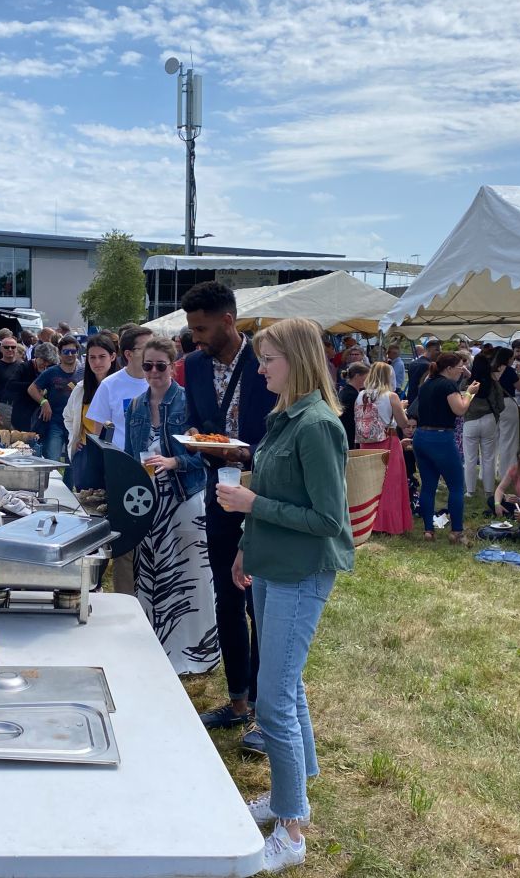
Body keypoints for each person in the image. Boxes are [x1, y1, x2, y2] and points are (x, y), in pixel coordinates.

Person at [215, 317, 353, 875]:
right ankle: (292, 794)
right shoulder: (283, 417)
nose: (259, 367)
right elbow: (270, 489)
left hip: (301, 571)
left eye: (267, 358)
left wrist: (252, 508)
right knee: (285, 686)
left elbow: (327, 519)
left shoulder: (317, 425)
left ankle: (292, 829)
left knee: (273, 698)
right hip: (273, 564)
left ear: (295, 359)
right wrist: (248, 543)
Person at [180, 281, 276, 738]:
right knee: (226, 596)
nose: (194, 337)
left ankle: (264, 704)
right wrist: (202, 441)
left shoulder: (269, 360)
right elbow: (198, 421)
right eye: (190, 329)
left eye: (201, 328)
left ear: (228, 321)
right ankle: (237, 698)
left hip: (265, 494)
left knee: (264, 604)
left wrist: (245, 454)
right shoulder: (194, 366)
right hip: (219, 494)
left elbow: (283, 434)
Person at [123, 336, 217, 675]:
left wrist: (176, 463)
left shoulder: (188, 403)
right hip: (150, 502)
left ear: (173, 366)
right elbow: (132, 456)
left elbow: (207, 454)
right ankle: (156, 648)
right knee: (151, 573)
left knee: (190, 576)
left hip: (184, 498)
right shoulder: (134, 406)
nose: (153, 373)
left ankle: (195, 656)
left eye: (160, 366)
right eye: (147, 366)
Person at [85, 325, 153, 594]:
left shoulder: (160, 379)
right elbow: (96, 434)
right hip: (123, 475)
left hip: (158, 472)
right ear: (128, 353)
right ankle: (127, 600)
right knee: (126, 542)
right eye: (145, 347)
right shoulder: (111, 386)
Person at [412, 353, 480, 544]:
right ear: (449, 369)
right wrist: (470, 393)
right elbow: (459, 409)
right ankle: (456, 532)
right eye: (460, 367)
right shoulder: (448, 384)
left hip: (421, 437)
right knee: (457, 486)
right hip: (441, 438)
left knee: (428, 486)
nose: (462, 371)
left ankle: (428, 530)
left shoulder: (426, 383)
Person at [354, 362, 413, 534]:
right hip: (387, 441)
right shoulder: (391, 396)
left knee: (369, 484)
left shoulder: (361, 395)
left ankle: (368, 520)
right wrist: (401, 408)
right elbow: (403, 423)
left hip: (366, 443)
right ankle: (387, 523)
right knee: (390, 484)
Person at [64, 333, 116, 493]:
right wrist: (76, 436)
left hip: (115, 453)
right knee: (88, 502)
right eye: (92, 357)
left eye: (102, 356)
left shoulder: (120, 388)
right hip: (86, 454)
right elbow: (68, 416)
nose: (97, 362)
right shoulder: (81, 388)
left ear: (113, 357)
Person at [28, 334, 83, 467]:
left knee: (74, 462)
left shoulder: (84, 372)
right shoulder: (52, 371)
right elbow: (32, 389)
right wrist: (43, 402)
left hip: (76, 424)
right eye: (66, 352)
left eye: (73, 351)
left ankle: (68, 488)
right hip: (55, 422)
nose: (70, 355)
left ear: (77, 352)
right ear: (59, 353)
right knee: (52, 460)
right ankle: (50, 487)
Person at [462, 352, 504, 503]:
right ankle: (489, 491)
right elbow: (501, 405)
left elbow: (461, 401)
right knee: (489, 458)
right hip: (489, 419)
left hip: (470, 422)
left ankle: (470, 491)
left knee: (470, 459)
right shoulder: (493, 384)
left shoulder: (467, 382)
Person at [493, 347, 520, 481]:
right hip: (508, 404)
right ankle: (507, 474)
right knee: (509, 441)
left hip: (492, 405)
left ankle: (486, 473)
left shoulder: (490, 369)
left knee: (490, 441)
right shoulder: (510, 371)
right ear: (508, 358)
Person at [0, 335, 27, 430]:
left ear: (16, 349)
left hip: (21, 408)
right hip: (3, 407)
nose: (10, 349)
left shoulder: (23, 366)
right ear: (1, 349)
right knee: (4, 440)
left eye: (13, 347)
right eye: (6, 347)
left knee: (20, 441)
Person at [337, 362, 369, 448]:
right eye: (366, 376)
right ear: (357, 376)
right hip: (349, 435)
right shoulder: (352, 394)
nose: (367, 380)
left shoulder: (346, 391)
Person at [406, 338, 441, 404]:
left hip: (410, 399)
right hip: (420, 402)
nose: (439, 353)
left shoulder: (412, 363)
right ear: (429, 350)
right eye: (437, 350)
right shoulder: (429, 366)